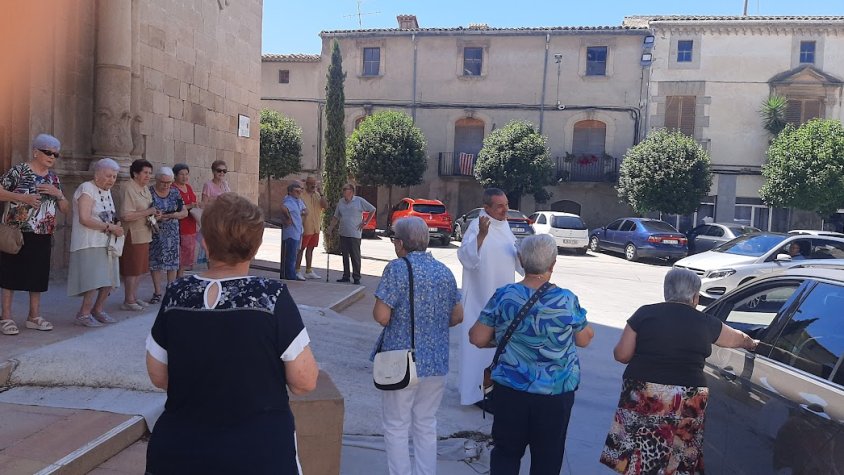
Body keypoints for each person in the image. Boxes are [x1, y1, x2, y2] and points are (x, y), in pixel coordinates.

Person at [145, 193, 319, 474]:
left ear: (205, 242)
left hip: (180, 450)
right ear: (256, 246)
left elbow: (158, 374)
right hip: (258, 453)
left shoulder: (177, 294)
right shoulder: (271, 296)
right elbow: (304, 380)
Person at [600, 268, 759, 475]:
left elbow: (622, 355)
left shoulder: (644, 313)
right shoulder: (705, 322)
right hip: (687, 398)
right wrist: (752, 343)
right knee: (679, 454)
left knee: (638, 450)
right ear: (695, 296)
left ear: (667, 292)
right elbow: (737, 338)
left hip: (644, 394)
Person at [469, 234, 594, 474]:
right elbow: (584, 339)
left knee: (506, 453)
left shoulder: (505, 295)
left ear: (521, 260)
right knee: (548, 458)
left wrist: (509, 338)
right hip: (554, 395)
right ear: (553, 264)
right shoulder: (566, 299)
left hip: (510, 392)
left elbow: (477, 337)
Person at [372, 217, 464, 475]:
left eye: (394, 239)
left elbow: (381, 316)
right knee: (426, 423)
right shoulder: (444, 271)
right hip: (435, 362)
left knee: (397, 425)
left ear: (401, 243)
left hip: (401, 361)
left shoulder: (397, 268)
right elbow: (458, 316)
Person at [457, 187, 523, 406]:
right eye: (500, 206)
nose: (506, 210)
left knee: (498, 349)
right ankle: (475, 395)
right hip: (479, 300)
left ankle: (492, 391)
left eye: (506, 204)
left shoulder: (505, 227)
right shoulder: (477, 226)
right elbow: (466, 258)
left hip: (503, 303)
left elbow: (516, 260)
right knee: (477, 351)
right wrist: (482, 237)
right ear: (487, 208)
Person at [0, 133, 69, 335]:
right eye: (48, 152)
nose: (52, 157)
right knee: (9, 275)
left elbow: (65, 209)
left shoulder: (53, 178)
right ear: (35, 152)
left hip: (43, 232)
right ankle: (6, 317)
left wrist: (59, 194)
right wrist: (22, 197)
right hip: (17, 231)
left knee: (38, 277)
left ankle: (33, 316)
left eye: (56, 154)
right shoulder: (19, 171)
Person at [67, 158, 124, 327]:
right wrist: (110, 227)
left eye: (114, 176)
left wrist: (115, 226)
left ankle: (98, 310)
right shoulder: (87, 188)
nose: (111, 180)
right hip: (89, 241)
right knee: (93, 280)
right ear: (97, 174)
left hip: (107, 243)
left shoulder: (106, 191)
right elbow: (84, 218)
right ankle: (83, 314)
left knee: (109, 279)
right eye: (108, 176)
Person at [119, 159, 161, 311]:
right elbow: (126, 215)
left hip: (145, 233)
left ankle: (134, 297)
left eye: (150, 173)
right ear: (135, 173)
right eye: (145, 172)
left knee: (140, 269)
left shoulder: (145, 189)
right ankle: (128, 300)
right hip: (133, 234)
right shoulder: (128, 188)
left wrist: (155, 214)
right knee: (132, 268)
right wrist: (148, 212)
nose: (148, 176)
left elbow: (148, 210)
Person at [148, 167, 187, 303]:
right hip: (156, 231)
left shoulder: (175, 193)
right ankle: (157, 292)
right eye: (163, 182)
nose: (166, 185)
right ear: (157, 180)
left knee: (172, 262)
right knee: (155, 262)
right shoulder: (149, 192)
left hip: (172, 232)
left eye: (169, 182)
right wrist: (155, 217)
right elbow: (145, 211)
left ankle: (170, 290)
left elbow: (184, 212)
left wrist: (172, 215)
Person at [326, 183, 375, 285]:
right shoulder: (341, 202)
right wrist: (330, 228)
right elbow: (336, 217)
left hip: (354, 233)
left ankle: (356, 277)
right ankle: (346, 276)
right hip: (343, 232)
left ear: (351, 191)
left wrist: (365, 222)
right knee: (344, 256)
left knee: (355, 256)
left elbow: (372, 209)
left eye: (345, 189)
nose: (343, 191)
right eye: (343, 189)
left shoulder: (359, 201)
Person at [296, 176, 327, 279]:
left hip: (315, 227)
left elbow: (325, 206)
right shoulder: (302, 195)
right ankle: (297, 270)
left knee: (311, 249)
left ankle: (309, 270)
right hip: (305, 227)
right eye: (311, 184)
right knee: (301, 249)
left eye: (315, 184)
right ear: (307, 184)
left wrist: (321, 193)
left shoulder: (317, 195)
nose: (313, 186)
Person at [172, 163, 199, 278]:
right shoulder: (173, 188)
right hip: (180, 224)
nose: (184, 177)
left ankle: (181, 275)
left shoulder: (188, 187)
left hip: (190, 222)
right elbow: (174, 207)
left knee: (187, 250)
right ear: (175, 175)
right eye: (181, 174)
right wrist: (189, 206)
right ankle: (177, 276)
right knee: (180, 251)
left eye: (186, 174)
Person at [279, 181, 307, 281]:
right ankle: (290, 276)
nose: (298, 193)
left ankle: (291, 274)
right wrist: (288, 218)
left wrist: (302, 212)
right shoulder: (289, 200)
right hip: (291, 232)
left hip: (298, 231)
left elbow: (305, 210)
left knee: (294, 254)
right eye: (296, 191)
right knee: (290, 256)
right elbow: (283, 208)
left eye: (300, 191)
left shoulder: (298, 201)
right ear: (290, 192)